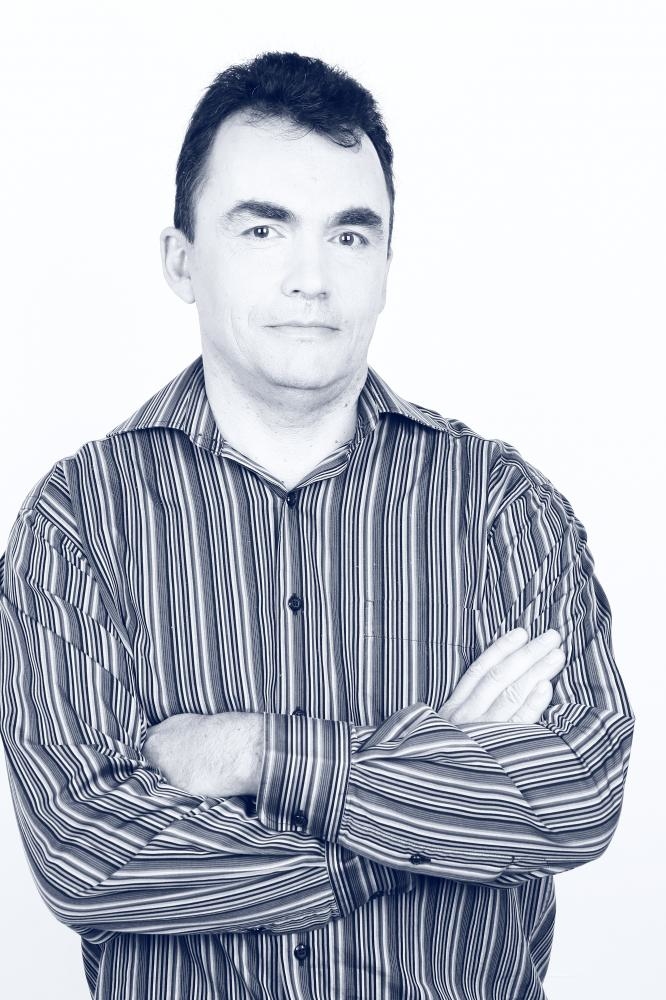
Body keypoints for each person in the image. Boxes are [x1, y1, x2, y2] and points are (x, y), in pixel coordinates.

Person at [0, 51, 633, 1000]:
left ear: (386, 265)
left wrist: (254, 750)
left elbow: (574, 797)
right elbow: (90, 860)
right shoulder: (77, 522)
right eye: (264, 229)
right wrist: (422, 805)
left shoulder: (503, 506)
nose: (312, 277)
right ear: (181, 260)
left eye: (349, 235)